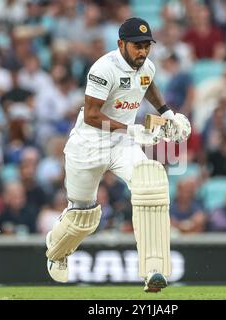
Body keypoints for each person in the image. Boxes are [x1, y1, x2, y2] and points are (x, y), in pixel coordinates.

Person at [44, 17, 191, 293]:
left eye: (146, 46)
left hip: (121, 144)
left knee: (151, 185)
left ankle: (153, 269)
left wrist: (167, 113)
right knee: (83, 217)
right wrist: (133, 129)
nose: (142, 52)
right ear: (121, 43)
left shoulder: (146, 66)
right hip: (88, 145)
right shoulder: (103, 68)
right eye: (137, 46)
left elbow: (147, 84)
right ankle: (57, 251)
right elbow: (90, 116)